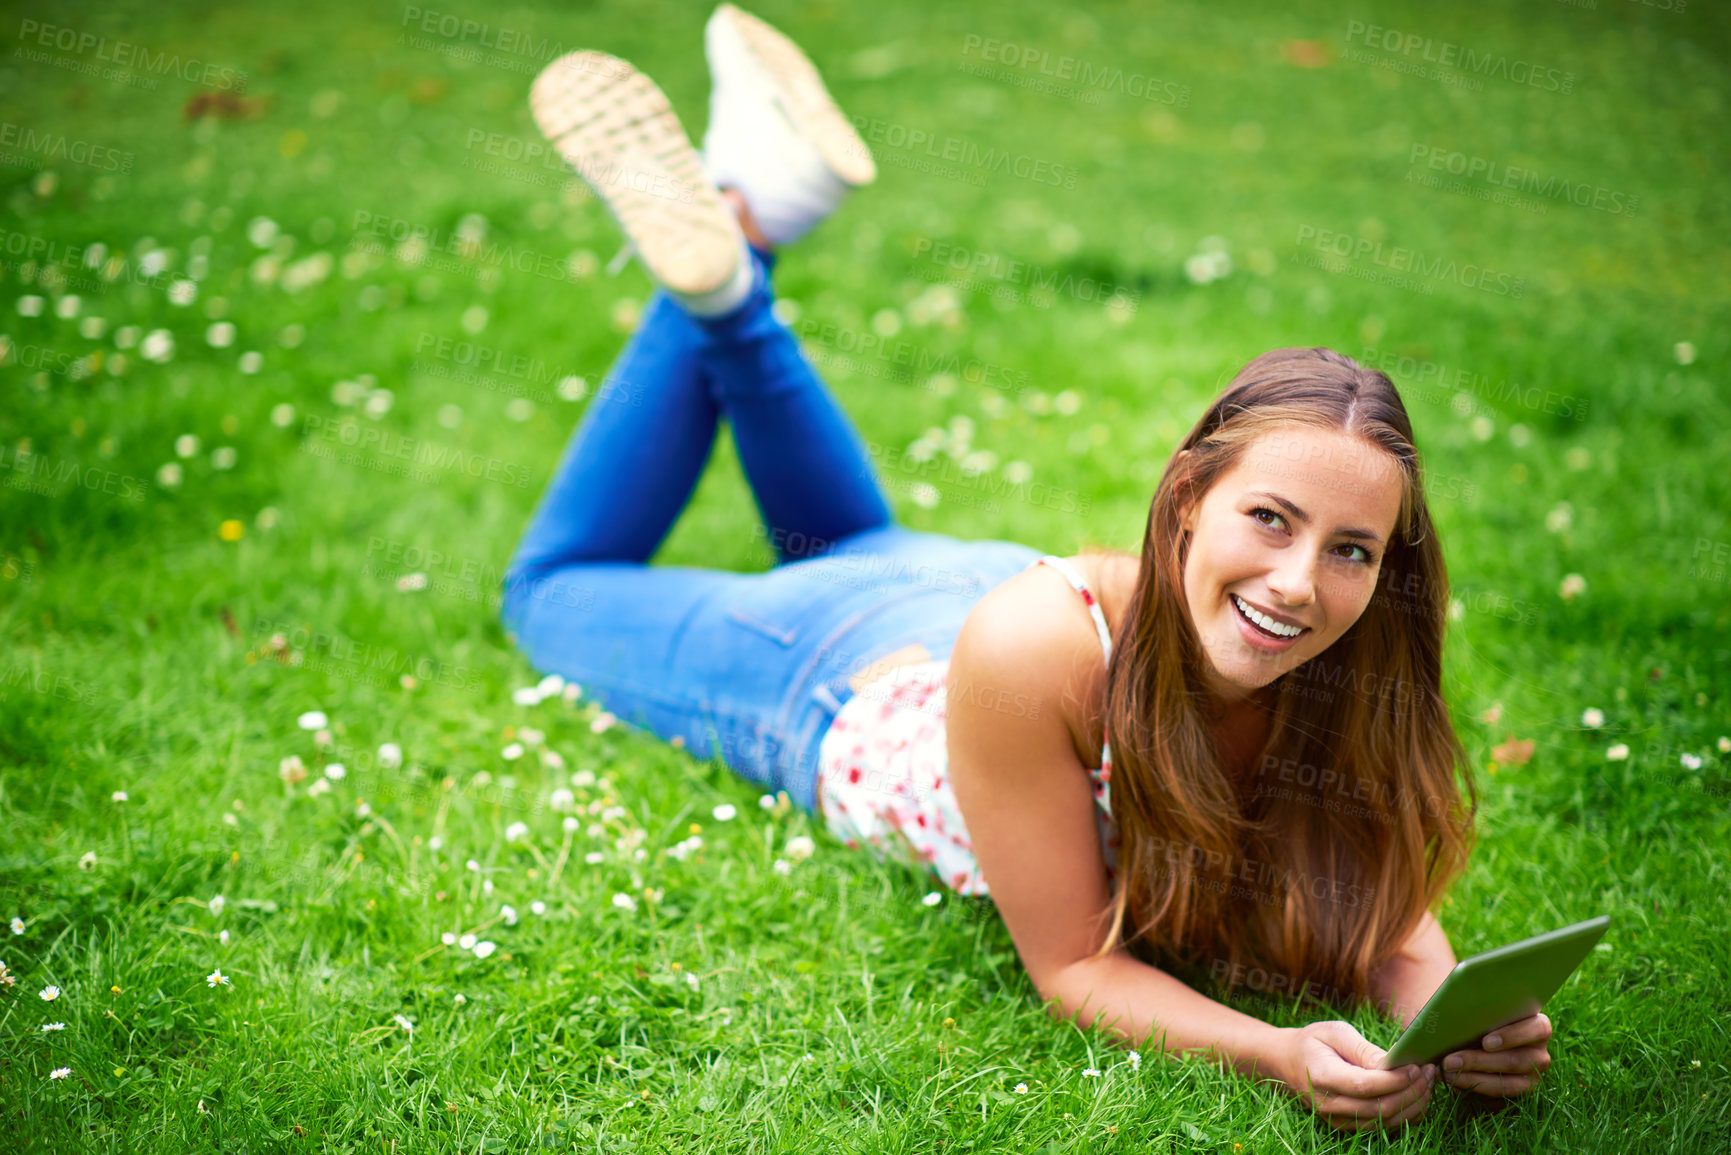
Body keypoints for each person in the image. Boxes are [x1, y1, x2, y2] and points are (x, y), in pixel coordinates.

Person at [500, 4, 1553, 1132]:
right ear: (1188, 497)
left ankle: (756, 211)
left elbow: (1377, 906)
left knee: (846, 536)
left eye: (1350, 550)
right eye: (1270, 519)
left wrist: (1445, 1000)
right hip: (837, 669)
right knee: (552, 589)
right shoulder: (1046, 648)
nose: (1300, 582)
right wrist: (1276, 1053)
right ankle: (723, 273)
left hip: (958, 586)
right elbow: (1074, 971)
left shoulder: (1345, 659)